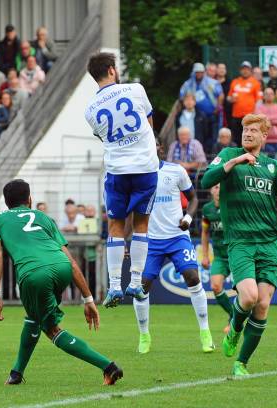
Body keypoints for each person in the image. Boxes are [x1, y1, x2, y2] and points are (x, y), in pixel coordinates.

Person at [200, 113, 277, 376]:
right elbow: (206, 180)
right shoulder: (228, 155)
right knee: (248, 297)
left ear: (264, 136)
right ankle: (234, 329)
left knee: (263, 305)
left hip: (268, 243)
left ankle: (241, 364)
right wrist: (234, 161)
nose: (247, 133)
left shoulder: (272, 166)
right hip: (241, 243)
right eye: (245, 129)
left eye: (254, 130)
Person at [0, 179, 123, 385]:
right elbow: (71, 260)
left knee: (51, 330)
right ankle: (16, 373)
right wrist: (88, 298)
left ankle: (109, 367)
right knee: (34, 317)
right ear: (29, 199)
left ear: (6, 202)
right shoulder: (44, 218)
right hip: (62, 267)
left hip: (34, 274)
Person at [84, 53, 158, 305]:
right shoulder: (136, 89)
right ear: (112, 70)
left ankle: (115, 285)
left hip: (117, 170)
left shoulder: (90, 110)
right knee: (141, 224)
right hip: (145, 167)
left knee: (115, 226)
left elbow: (103, 137)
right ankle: (135, 283)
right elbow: (149, 122)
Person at [131, 140, 213, 354]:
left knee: (193, 277)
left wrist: (187, 217)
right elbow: (131, 209)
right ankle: (144, 334)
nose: (153, 147)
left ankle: (205, 333)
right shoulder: (136, 176)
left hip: (178, 237)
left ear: (161, 148)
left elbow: (194, 199)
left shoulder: (176, 170)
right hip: (151, 241)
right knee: (142, 287)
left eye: (157, 144)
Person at [201, 183, 233, 333]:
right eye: (215, 187)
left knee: (243, 290)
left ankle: (236, 320)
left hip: (236, 254)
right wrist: (205, 256)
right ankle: (233, 315)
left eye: (221, 186)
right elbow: (205, 233)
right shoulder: (207, 210)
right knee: (215, 286)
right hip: (220, 256)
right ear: (210, 190)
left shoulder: (233, 206)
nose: (218, 190)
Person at [179, 62, 223, 144]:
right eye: (197, 72)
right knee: (201, 136)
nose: (199, 74)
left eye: (201, 72)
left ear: (204, 72)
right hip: (197, 116)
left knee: (214, 136)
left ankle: (213, 154)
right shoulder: (188, 84)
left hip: (212, 114)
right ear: (193, 72)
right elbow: (181, 96)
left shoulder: (212, 82)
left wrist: (218, 108)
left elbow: (220, 95)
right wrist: (187, 106)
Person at [227, 61, 261, 144]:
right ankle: (238, 156)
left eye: (247, 69)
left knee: (248, 138)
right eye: (243, 69)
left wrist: (255, 115)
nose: (245, 71)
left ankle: (248, 156)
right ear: (240, 70)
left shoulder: (255, 82)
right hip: (236, 115)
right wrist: (231, 99)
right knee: (236, 138)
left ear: (250, 71)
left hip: (249, 116)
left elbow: (259, 100)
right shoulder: (235, 82)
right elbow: (228, 97)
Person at [255, 87, 277, 156]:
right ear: (263, 96)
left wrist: (266, 118)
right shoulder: (259, 108)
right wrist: (275, 118)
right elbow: (259, 120)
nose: (269, 95)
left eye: (271, 94)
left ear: (274, 96)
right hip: (264, 141)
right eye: (267, 94)